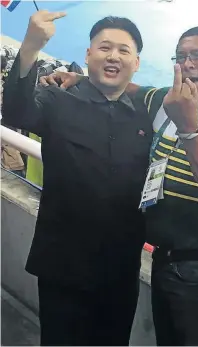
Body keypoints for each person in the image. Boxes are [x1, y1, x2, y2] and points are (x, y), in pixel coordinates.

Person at [43, 26, 198, 346]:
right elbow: (129, 87)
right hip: (166, 260)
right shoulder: (167, 100)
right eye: (181, 56)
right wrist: (80, 79)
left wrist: (189, 127)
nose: (188, 64)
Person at [2, 11, 153, 346]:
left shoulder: (149, 112)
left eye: (124, 50)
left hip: (120, 271)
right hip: (63, 266)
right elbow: (14, 111)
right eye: (104, 47)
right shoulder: (58, 100)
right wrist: (30, 47)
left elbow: (191, 103)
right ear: (88, 55)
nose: (113, 56)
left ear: (137, 62)